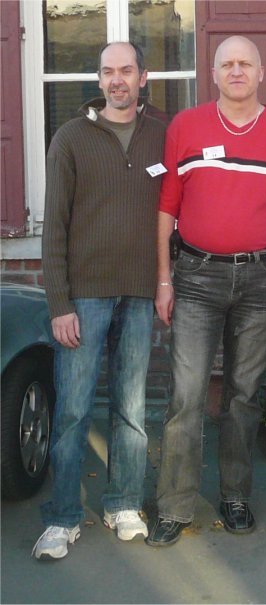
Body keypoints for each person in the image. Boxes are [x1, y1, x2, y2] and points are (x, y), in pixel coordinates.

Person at [146, 35, 266, 547]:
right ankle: (174, 505)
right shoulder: (186, 126)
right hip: (195, 277)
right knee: (187, 395)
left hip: (261, 278)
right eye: (227, 64)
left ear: (261, 73)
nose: (236, 71)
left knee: (243, 395)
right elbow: (167, 206)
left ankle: (236, 495)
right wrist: (164, 279)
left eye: (245, 64)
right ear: (213, 74)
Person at [34, 42, 166, 560]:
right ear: (99, 80)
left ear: (142, 77)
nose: (117, 80)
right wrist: (59, 303)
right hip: (83, 297)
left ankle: (124, 503)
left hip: (139, 291)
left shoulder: (162, 134)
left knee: (132, 409)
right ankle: (63, 516)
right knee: (73, 410)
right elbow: (54, 227)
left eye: (126, 71)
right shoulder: (70, 137)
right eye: (108, 72)